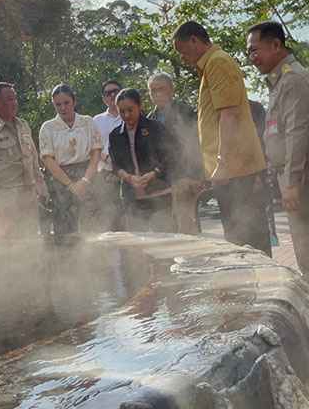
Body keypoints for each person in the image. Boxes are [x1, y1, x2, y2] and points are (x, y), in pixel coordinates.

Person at [247, 21, 309, 351]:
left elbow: (297, 134)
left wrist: (290, 183)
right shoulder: (281, 81)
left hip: (305, 178)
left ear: (276, 45)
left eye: (255, 50)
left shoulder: (293, 80)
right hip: (298, 176)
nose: (252, 57)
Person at [172, 21, 270, 254]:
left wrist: (222, 164)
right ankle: (249, 287)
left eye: (182, 50)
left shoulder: (217, 62)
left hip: (237, 172)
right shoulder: (211, 65)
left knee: (247, 241)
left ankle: (262, 288)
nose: (183, 57)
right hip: (232, 173)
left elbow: (229, 115)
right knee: (239, 240)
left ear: (194, 40)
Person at [0, 83, 49, 238]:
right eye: (9, 99)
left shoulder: (24, 126)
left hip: (28, 200)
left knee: (30, 248)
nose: (14, 103)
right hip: (5, 201)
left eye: (15, 98)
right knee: (7, 251)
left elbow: (34, 162)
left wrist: (43, 190)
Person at [39, 84, 103, 239]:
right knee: (65, 228)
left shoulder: (88, 123)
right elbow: (48, 159)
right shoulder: (48, 127)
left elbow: (96, 153)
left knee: (92, 225)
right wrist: (70, 184)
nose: (62, 108)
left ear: (74, 101)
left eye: (66, 103)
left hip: (87, 175)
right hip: (60, 180)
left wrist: (85, 180)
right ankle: (66, 261)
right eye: (58, 104)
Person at [109, 88, 175, 232]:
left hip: (159, 192)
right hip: (130, 195)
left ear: (140, 106)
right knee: (138, 244)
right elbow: (115, 164)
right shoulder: (115, 134)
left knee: (165, 240)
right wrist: (129, 177)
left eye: (130, 110)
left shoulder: (156, 127)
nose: (126, 115)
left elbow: (169, 157)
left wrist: (153, 174)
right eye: (121, 111)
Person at [147, 72, 204, 234]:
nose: (157, 94)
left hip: (185, 179)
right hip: (162, 184)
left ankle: (196, 259)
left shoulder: (186, 113)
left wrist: (196, 177)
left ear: (172, 91)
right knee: (167, 229)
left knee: (188, 228)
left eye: (162, 89)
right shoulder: (150, 119)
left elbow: (196, 145)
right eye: (153, 90)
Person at [92, 79, 127, 231]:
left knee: (129, 219)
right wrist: (109, 161)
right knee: (109, 220)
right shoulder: (96, 120)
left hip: (128, 175)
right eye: (108, 93)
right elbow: (94, 147)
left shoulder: (130, 117)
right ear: (103, 98)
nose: (113, 95)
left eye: (116, 91)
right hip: (104, 176)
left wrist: (120, 168)